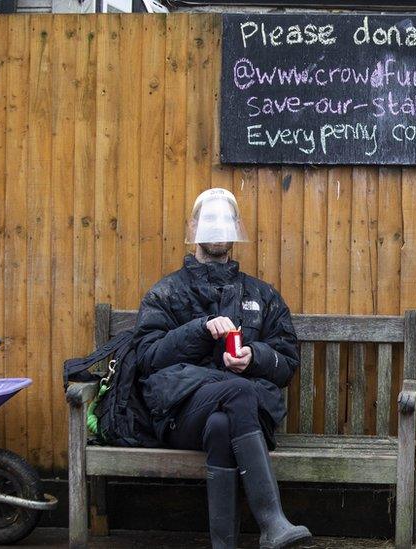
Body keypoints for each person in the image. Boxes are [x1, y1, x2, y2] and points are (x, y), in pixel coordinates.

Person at [132, 188, 311, 549]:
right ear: (194, 227)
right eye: (208, 222)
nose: (216, 231)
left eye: (224, 222)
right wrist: (199, 329)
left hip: (245, 418)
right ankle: (272, 521)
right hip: (181, 415)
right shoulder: (165, 294)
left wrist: (254, 357)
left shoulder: (262, 296)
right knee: (237, 390)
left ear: (235, 230)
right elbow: (147, 358)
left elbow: (287, 361)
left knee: (223, 423)